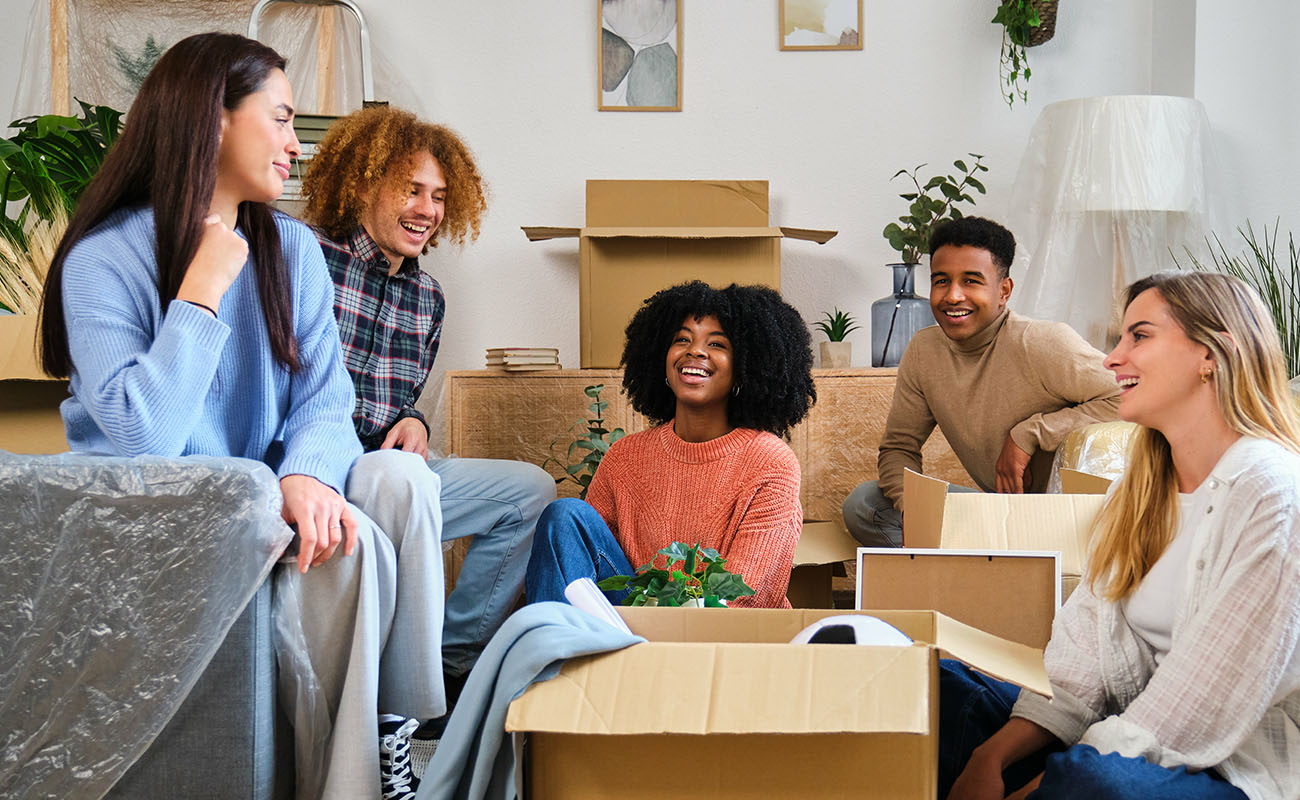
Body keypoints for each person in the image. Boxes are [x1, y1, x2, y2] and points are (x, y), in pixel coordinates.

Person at [37, 33, 443, 800]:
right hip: (164, 523)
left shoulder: (292, 249)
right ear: (213, 119)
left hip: (263, 507)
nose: (297, 144)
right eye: (282, 118)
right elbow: (141, 440)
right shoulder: (103, 259)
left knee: (377, 510)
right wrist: (200, 292)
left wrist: (302, 476)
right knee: (354, 553)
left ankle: (387, 752)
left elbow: (328, 400)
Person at [940, 271, 1300, 800]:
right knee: (938, 694)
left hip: (1230, 768)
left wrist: (1040, 787)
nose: (1112, 358)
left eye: (1140, 336)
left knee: (1093, 783)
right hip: (1119, 738)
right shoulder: (1135, 493)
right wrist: (988, 756)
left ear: (1212, 354)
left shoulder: (1274, 497)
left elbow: (1198, 700)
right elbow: (1080, 661)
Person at [300, 106, 555, 703]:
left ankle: (449, 664)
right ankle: (399, 694)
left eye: (438, 196)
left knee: (530, 494)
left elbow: (399, 402)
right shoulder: (306, 258)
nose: (427, 210)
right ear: (363, 182)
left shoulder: (428, 298)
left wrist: (413, 418)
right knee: (392, 479)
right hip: (311, 470)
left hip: (386, 472)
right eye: (411, 190)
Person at [524, 281, 816, 608]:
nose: (695, 351)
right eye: (682, 339)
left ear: (745, 368)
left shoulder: (769, 462)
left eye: (717, 344)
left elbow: (741, 595)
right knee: (564, 516)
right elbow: (588, 564)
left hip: (722, 632)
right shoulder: (626, 456)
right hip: (633, 620)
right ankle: (547, 649)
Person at [843, 216, 1121, 548]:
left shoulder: (1041, 342)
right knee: (866, 504)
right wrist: (913, 508)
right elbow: (898, 448)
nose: (953, 296)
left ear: (1004, 291)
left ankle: (987, 575)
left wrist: (1029, 434)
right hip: (997, 514)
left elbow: (1132, 396)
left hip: (1064, 522)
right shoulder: (924, 351)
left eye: (971, 281)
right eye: (941, 280)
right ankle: (967, 576)